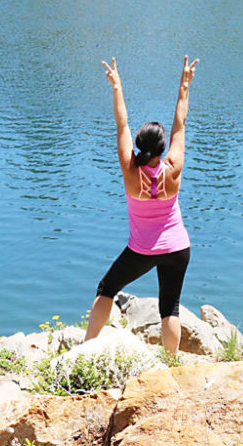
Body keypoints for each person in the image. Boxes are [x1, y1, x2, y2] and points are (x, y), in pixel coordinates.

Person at [83, 54, 199, 355]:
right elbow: (180, 123)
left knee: (107, 289)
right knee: (169, 307)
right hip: (178, 248)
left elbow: (121, 124)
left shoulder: (131, 171)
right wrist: (184, 84)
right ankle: (171, 363)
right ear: (163, 149)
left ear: (138, 145)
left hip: (143, 249)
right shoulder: (173, 168)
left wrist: (116, 86)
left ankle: (86, 349)